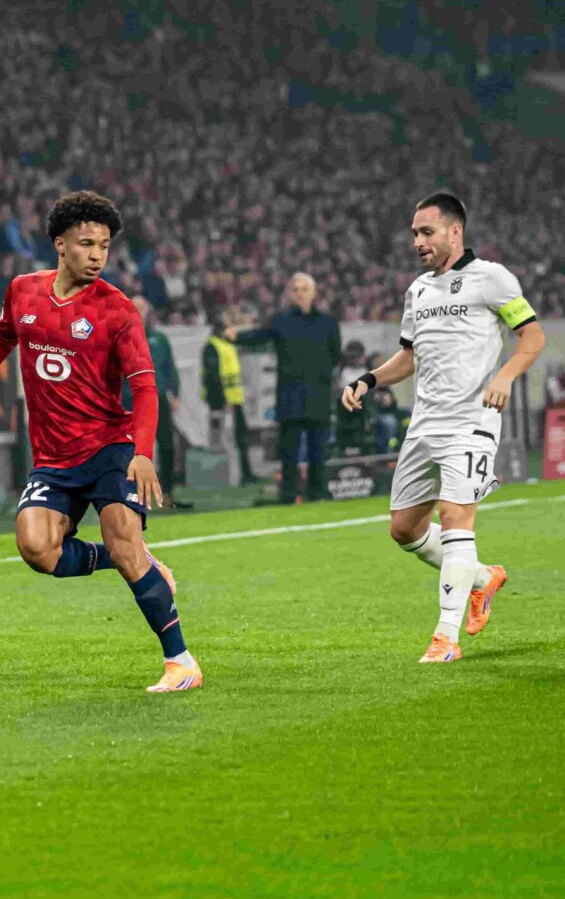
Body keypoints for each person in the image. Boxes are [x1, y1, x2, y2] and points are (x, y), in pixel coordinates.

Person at [0, 191, 200, 693]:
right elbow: (1, 338)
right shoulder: (22, 291)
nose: (97, 255)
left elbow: (146, 387)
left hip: (109, 448)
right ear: (60, 244)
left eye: (104, 246)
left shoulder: (118, 310)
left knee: (125, 544)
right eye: (86, 244)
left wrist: (143, 453)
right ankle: (136, 562)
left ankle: (181, 662)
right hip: (53, 458)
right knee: (37, 549)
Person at [342, 192, 545, 664]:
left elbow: (533, 337)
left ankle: (445, 638)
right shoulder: (418, 290)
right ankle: (483, 578)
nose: (418, 241)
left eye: (427, 232)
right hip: (424, 424)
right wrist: (369, 379)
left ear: (455, 231)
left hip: (471, 422)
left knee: (455, 517)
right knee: (404, 530)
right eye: (414, 233)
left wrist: (505, 376)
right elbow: (409, 357)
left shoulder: (491, 278)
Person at [233, 273, 340, 503]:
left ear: (313, 293)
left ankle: (318, 493)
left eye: (304, 289)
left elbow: (335, 355)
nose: (299, 293)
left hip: (318, 394)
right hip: (290, 395)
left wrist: (319, 375)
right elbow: (259, 335)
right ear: (290, 294)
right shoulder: (280, 320)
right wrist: (235, 336)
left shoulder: (328, 322)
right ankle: (288, 494)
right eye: (295, 289)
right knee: (288, 450)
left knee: (318, 450)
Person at [124, 294, 190, 509]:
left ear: (148, 311)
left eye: (142, 307)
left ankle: (167, 492)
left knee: (167, 445)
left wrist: (175, 394)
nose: (139, 311)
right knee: (131, 448)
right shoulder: (121, 337)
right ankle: (131, 493)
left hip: (157, 398)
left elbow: (170, 368)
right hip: (131, 399)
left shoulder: (159, 339)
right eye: (135, 307)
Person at [202, 308, 258, 484]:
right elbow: (213, 377)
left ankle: (246, 474)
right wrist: (222, 401)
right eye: (228, 328)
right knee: (225, 441)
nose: (232, 332)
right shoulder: (213, 347)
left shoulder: (226, 345)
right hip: (222, 402)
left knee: (241, 438)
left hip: (234, 400)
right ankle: (229, 477)